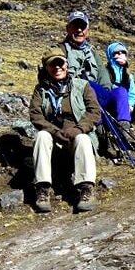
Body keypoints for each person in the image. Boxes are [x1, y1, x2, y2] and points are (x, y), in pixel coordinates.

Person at [29, 47, 101, 213]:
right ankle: (43, 188)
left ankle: (87, 188)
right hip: (54, 139)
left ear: (66, 65)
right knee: (41, 136)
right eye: (52, 65)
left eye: (60, 63)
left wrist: (78, 129)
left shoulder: (82, 86)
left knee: (83, 139)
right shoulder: (40, 90)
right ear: (46, 68)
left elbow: (94, 112)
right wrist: (54, 132)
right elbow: (36, 116)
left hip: (76, 138)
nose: (57, 68)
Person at [59, 11, 133, 135]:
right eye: (75, 26)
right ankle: (101, 131)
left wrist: (105, 89)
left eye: (82, 27)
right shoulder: (61, 49)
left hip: (99, 93)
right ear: (67, 28)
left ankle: (124, 127)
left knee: (121, 91)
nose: (79, 30)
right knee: (90, 87)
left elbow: (102, 72)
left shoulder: (92, 51)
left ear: (87, 31)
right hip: (78, 94)